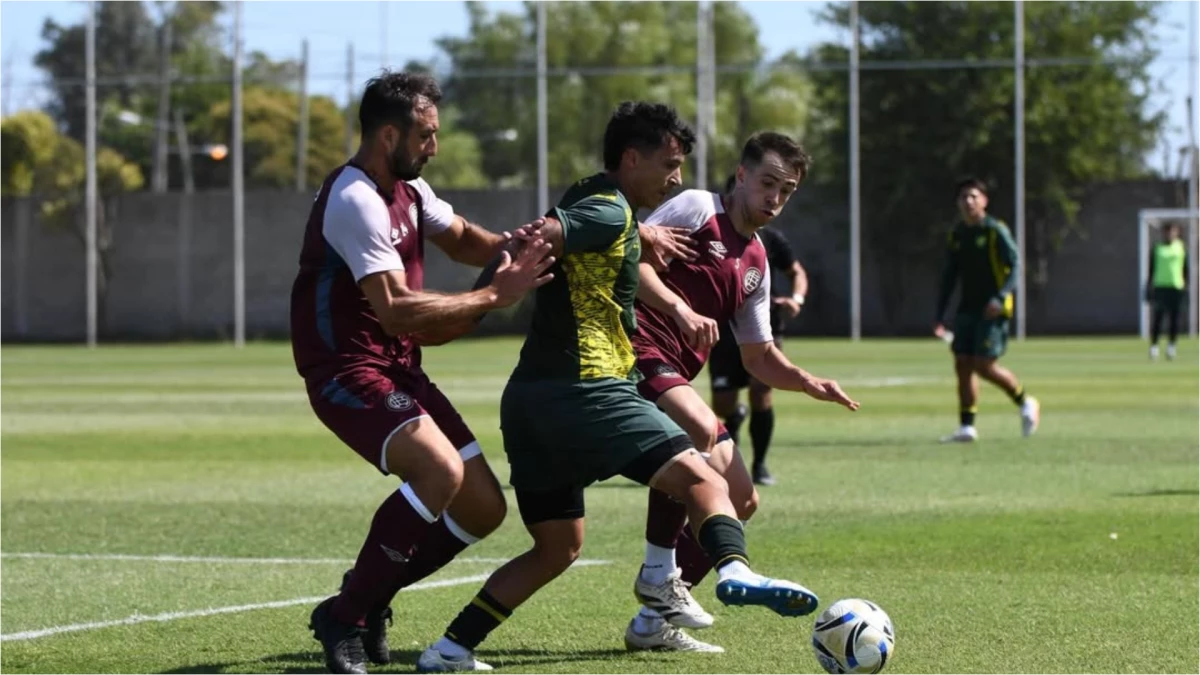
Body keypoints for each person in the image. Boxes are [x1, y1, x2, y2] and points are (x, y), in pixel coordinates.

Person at [414, 104, 821, 673]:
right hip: (590, 390)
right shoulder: (608, 211)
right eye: (669, 165)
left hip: (528, 401)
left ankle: (449, 650)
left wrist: (473, 307)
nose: (677, 178)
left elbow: (577, 235)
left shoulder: (603, 203)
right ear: (632, 160)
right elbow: (547, 233)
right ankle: (732, 571)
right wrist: (479, 303)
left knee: (557, 548)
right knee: (705, 473)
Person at [290, 70, 560, 675]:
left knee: (483, 509)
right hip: (345, 370)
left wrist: (513, 250)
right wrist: (497, 295)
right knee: (438, 471)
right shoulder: (354, 197)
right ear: (390, 135)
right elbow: (397, 309)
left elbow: (463, 238)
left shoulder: (411, 192)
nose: (434, 146)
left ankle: (365, 593)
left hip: (397, 367)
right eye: (426, 135)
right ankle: (346, 615)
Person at [621, 132, 859, 653]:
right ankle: (659, 572)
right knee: (702, 433)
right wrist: (679, 309)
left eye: (787, 190)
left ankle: (650, 622)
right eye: (768, 182)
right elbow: (629, 261)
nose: (774, 197)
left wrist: (807, 382)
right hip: (634, 354)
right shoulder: (694, 207)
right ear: (742, 175)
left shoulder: (756, 262)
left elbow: (758, 356)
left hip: (675, 375)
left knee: (743, 499)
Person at [707, 173, 810, 486]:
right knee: (722, 403)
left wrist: (796, 299)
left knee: (761, 393)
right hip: (722, 330)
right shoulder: (709, 235)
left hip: (764, 326)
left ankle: (761, 464)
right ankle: (734, 422)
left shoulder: (771, 240)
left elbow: (797, 272)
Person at [933, 177, 1040, 443]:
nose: (968, 202)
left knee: (984, 364)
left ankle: (1026, 402)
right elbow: (950, 275)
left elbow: (1015, 265)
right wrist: (939, 314)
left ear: (984, 201)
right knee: (962, 363)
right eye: (963, 197)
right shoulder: (957, 234)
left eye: (973, 196)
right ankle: (967, 427)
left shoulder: (995, 230)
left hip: (993, 308)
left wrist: (1001, 297)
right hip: (966, 307)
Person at [1146, 222, 1189, 361]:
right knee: (1158, 319)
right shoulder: (1157, 248)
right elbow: (1151, 269)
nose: (1170, 234)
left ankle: (1171, 347)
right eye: (1167, 231)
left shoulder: (1181, 247)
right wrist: (1148, 286)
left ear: (1176, 232)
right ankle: (1154, 347)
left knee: (1174, 320)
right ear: (1163, 233)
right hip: (1160, 287)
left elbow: (1185, 269)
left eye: (1173, 231)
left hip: (1176, 287)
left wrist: (1186, 286)